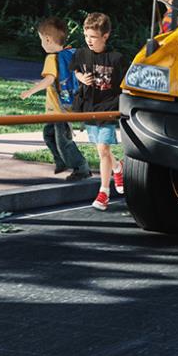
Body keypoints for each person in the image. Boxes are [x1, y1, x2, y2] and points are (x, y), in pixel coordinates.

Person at [20, 17, 89, 179]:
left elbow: (49, 79)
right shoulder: (68, 54)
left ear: (48, 39)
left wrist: (30, 91)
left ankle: (81, 168)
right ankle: (61, 161)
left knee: (63, 141)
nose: (41, 44)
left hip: (59, 111)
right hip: (58, 109)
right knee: (49, 134)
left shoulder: (52, 58)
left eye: (41, 40)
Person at [73, 13, 129, 209]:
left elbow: (124, 84)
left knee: (103, 149)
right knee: (100, 148)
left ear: (105, 36)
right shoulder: (81, 54)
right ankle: (118, 167)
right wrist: (81, 78)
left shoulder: (116, 58)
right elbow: (76, 69)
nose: (88, 40)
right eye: (86, 35)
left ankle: (104, 193)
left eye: (93, 37)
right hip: (90, 107)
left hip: (108, 108)